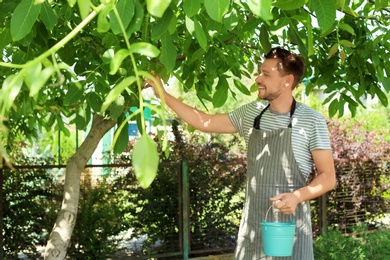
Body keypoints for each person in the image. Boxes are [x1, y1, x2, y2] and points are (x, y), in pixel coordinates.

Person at [144, 47, 336, 260]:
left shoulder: (311, 120)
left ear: (287, 81)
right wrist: (162, 94)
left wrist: (297, 196)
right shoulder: (252, 113)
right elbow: (204, 122)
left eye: (266, 74)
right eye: (259, 72)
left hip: (290, 232)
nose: (257, 78)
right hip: (252, 230)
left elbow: (328, 177)